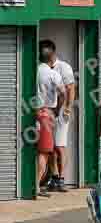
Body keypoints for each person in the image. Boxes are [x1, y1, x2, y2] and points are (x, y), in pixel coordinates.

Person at [39, 40, 75, 192]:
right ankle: (53, 176)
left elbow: (70, 89)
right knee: (50, 147)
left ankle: (61, 178)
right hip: (48, 111)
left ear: (52, 53)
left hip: (60, 112)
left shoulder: (64, 67)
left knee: (60, 146)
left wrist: (66, 109)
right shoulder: (44, 69)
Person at [36, 46, 65, 197]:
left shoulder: (33, 71)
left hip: (33, 113)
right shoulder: (53, 74)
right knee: (45, 152)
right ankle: (35, 187)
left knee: (38, 150)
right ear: (52, 57)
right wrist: (57, 110)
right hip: (46, 114)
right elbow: (63, 93)